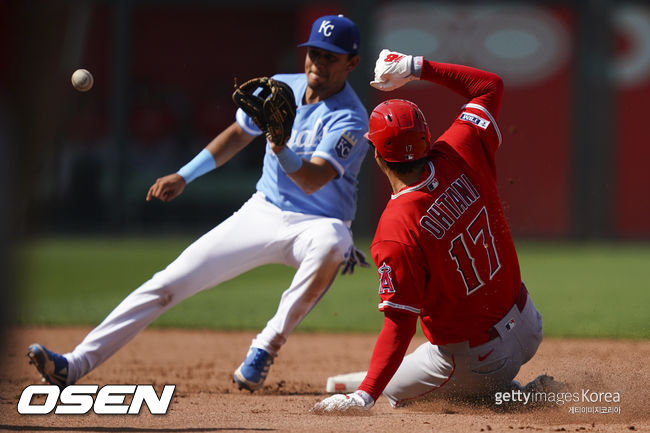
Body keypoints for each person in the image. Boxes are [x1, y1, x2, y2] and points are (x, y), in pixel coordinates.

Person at [27, 14, 370, 393]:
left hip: (317, 222)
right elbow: (238, 133)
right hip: (264, 211)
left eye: (330, 57)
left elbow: (312, 179)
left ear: (352, 63)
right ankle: (74, 365)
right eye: (314, 53)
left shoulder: (351, 118)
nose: (318, 63)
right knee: (168, 283)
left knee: (334, 243)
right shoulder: (281, 89)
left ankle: (265, 346)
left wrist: (279, 147)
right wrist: (184, 175)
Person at [313, 49, 549, 412]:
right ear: (426, 136)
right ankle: (502, 384)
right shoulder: (460, 148)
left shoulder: (396, 228)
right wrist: (415, 67)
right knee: (424, 358)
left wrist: (366, 395)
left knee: (397, 394)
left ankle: (518, 397)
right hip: (529, 324)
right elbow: (489, 85)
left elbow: (400, 325)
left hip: (480, 360)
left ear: (376, 154)